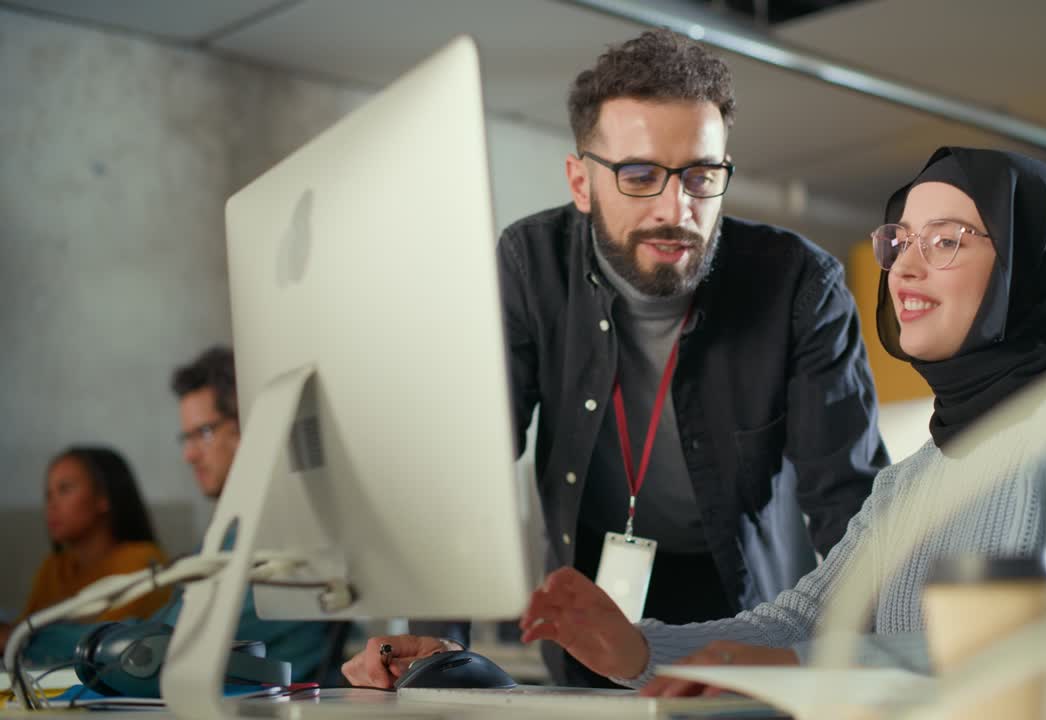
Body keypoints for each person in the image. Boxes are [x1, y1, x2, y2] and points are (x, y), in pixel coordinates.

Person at [499, 147, 1046, 699]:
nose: (903, 269)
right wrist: (638, 648)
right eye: (900, 240)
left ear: (1027, 266)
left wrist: (798, 667)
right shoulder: (913, 479)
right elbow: (799, 623)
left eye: (947, 241)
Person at [342, 29, 889, 688]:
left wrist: (881, 668)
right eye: (639, 176)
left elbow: (850, 502)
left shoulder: (801, 283)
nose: (675, 208)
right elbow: (470, 469)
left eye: (700, 175)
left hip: (741, 617)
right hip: (590, 607)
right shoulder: (530, 265)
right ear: (581, 181)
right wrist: (437, 643)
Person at [18, 347, 333, 683]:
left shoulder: (272, 534)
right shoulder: (227, 533)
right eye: (187, 437)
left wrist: (28, 639)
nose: (189, 454)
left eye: (205, 433)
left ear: (249, 426)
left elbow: (166, 641)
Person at [0, 447, 170, 649]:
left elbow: (107, 644)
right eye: (48, 494)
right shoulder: (53, 566)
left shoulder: (142, 560)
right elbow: (20, 632)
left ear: (103, 497)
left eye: (65, 489)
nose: (52, 504)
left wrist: (19, 639)